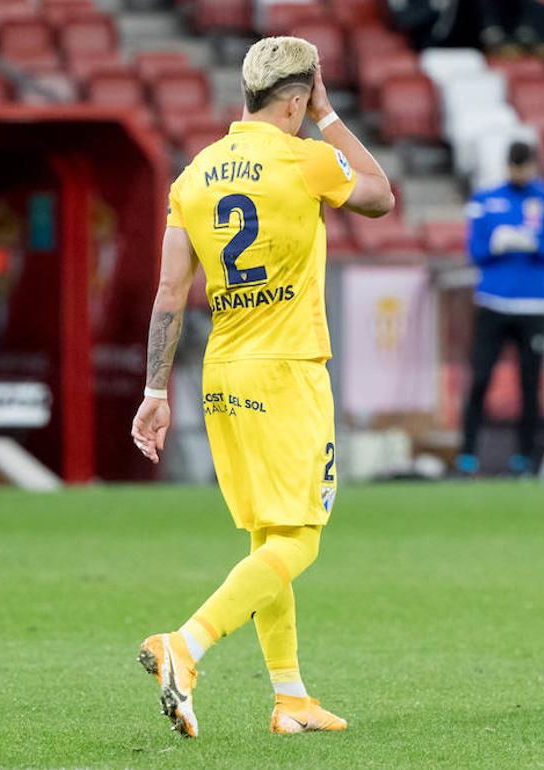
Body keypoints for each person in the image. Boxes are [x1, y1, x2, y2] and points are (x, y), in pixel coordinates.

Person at [129, 36, 394, 737]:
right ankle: (184, 646)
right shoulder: (306, 157)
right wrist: (331, 120)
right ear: (299, 97)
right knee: (301, 539)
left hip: (222, 374)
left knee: (266, 538)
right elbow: (380, 196)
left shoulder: (193, 175)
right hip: (287, 372)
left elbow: (167, 295)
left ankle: (290, 697)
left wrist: (155, 392)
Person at [457, 141, 544, 476]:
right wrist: (495, 244)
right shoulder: (485, 200)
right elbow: (474, 252)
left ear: (534, 165)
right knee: (479, 378)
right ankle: (466, 457)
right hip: (492, 301)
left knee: (530, 383)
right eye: (514, 166)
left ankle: (525, 459)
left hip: (535, 304)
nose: (519, 172)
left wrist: (533, 243)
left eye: (524, 166)